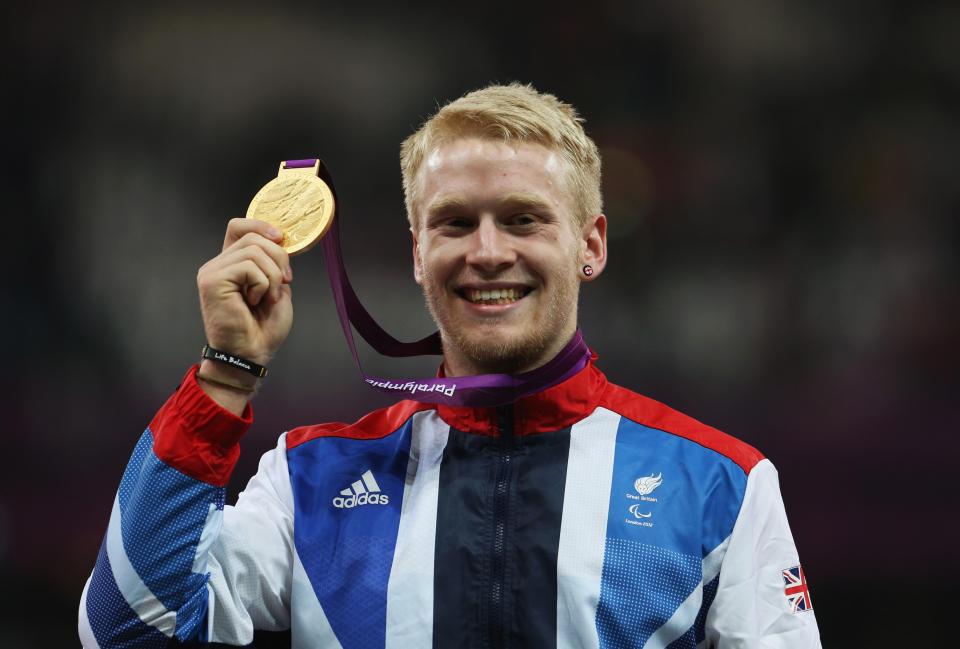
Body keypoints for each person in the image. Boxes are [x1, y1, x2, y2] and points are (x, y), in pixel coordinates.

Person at [79, 84, 822, 648]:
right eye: (455, 222)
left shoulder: (723, 485)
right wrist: (226, 376)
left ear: (591, 245)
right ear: (416, 253)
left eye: (524, 218)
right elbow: (124, 630)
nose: (488, 251)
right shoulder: (310, 481)